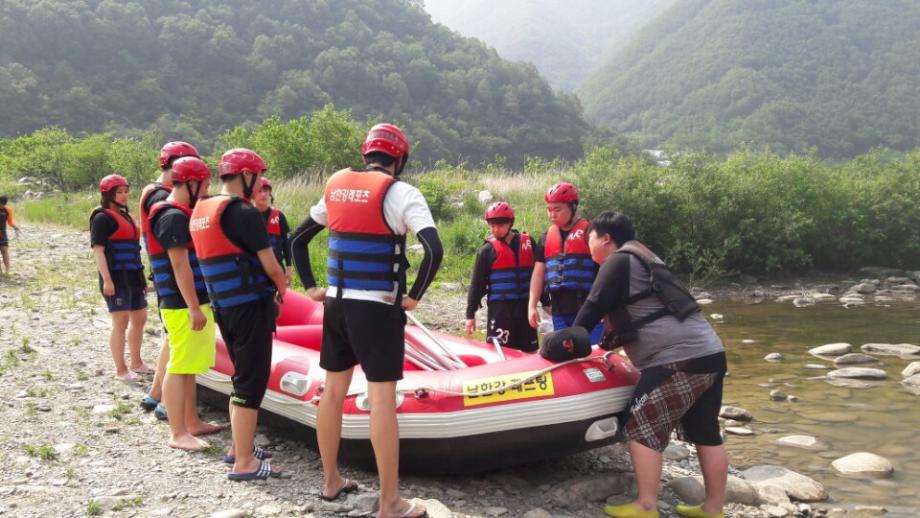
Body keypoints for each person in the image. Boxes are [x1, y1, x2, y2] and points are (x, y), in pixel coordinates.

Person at [290, 123, 441, 518]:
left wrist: (311, 287)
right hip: (377, 309)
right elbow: (433, 249)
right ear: (399, 158)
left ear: (366, 154)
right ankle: (390, 503)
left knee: (332, 393)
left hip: (336, 306)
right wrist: (414, 296)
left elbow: (297, 239)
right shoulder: (402, 193)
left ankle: (330, 481)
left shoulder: (336, 187)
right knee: (382, 402)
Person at [571, 211, 728, 518]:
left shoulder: (617, 260)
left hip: (678, 360)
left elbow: (593, 306)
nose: (588, 244)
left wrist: (567, 342)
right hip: (710, 352)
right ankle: (713, 509)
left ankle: (646, 506)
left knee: (640, 424)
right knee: (706, 432)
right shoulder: (644, 257)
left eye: (590, 237)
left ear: (606, 238)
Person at [189, 148, 287, 480]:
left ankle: (237, 448)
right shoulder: (244, 214)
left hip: (223, 307)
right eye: (258, 177)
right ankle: (245, 462)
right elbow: (271, 266)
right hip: (249, 308)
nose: (260, 184)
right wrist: (282, 292)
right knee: (250, 383)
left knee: (240, 377)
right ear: (246, 175)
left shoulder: (202, 209)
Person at [148, 156, 224, 450]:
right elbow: (179, 265)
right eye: (204, 185)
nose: (206, 191)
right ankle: (177, 432)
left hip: (191, 301)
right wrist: (193, 307)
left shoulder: (179, 213)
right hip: (181, 304)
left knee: (189, 365)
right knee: (179, 366)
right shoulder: (172, 217)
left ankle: (191, 422)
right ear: (190, 183)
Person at [139, 141, 201, 419]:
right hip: (174, 282)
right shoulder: (162, 198)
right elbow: (176, 253)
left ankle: (155, 393)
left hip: (167, 279)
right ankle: (168, 403)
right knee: (177, 342)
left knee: (169, 339)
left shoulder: (153, 192)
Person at [90, 175, 150, 382]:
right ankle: (121, 370)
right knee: (121, 322)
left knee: (140, 318)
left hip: (133, 276)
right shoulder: (101, 218)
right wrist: (107, 280)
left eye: (126, 191)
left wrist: (142, 280)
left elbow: (135, 251)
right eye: (119, 192)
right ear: (108, 195)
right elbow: (98, 251)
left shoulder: (127, 216)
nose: (124, 196)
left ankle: (137, 363)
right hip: (115, 277)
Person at [527, 182, 603, 343]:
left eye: (557, 209)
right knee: (565, 354)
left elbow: (605, 270)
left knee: (592, 355)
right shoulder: (546, 237)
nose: (552, 215)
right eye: (549, 210)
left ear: (573, 207)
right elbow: (538, 275)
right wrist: (532, 306)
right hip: (560, 313)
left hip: (590, 311)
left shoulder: (590, 232)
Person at [465, 201, 539, 352]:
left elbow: (537, 274)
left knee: (530, 351)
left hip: (525, 307)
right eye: (492, 225)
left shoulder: (528, 243)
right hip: (500, 310)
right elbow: (477, 285)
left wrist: (546, 302)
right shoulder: (486, 251)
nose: (495, 229)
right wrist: (470, 315)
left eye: (500, 225)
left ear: (510, 223)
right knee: (499, 352)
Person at [253, 177, 292, 285]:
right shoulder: (247, 216)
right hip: (254, 270)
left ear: (270, 193)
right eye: (259, 191)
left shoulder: (279, 216)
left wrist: (289, 268)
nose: (263, 194)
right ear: (253, 194)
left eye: (266, 190)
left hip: (276, 269)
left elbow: (286, 243)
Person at [0, 195, 21, 274]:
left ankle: (8, 270)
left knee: (4, 250)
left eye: (3, 205)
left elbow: (10, 222)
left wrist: (15, 227)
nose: (2, 206)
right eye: (0, 204)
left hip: (2, 232)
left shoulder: (8, 210)